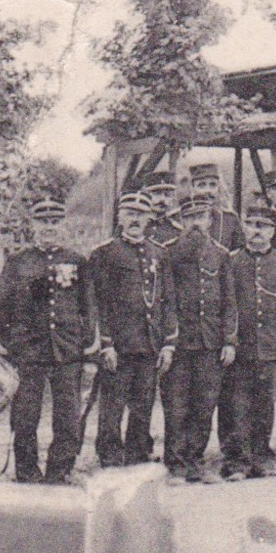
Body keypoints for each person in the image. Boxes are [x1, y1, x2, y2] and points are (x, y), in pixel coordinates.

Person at [0, 198, 93, 484]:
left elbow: (88, 305)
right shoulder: (18, 262)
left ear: (62, 225)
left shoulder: (77, 261)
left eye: (55, 222)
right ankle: (27, 472)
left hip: (66, 348)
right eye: (43, 222)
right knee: (26, 415)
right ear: (33, 225)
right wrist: (9, 343)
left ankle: (59, 470)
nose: (49, 227)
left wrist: (86, 342)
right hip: (29, 351)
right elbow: (2, 306)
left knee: (68, 416)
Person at [88, 191, 176, 468]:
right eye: (129, 214)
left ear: (149, 218)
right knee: (113, 404)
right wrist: (106, 343)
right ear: (120, 217)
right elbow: (97, 303)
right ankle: (110, 455)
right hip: (119, 344)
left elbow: (168, 300)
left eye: (141, 214)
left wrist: (169, 343)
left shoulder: (158, 253)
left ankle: (138, 452)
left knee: (144, 403)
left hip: (149, 343)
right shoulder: (104, 253)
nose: (135, 219)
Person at [223, 207, 276, 478]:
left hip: (274, 346)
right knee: (238, 405)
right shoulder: (232, 260)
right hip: (241, 347)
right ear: (244, 228)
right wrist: (229, 341)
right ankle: (237, 461)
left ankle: (261, 458)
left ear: (273, 231)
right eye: (251, 224)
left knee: (265, 405)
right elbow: (227, 306)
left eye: (263, 226)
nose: (257, 231)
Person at [162, 197, 237, 483]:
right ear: (180, 222)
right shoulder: (168, 254)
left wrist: (229, 340)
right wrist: (169, 339)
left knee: (204, 405)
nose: (196, 224)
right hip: (180, 343)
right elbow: (165, 300)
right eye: (189, 217)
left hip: (211, 342)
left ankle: (196, 462)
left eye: (202, 217)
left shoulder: (221, 254)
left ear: (210, 221)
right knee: (177, 405)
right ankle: (176, 464)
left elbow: (229, 302)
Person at [187, 162, 240, 251]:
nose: (208, 191)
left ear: (218, 188)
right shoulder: (178, 217)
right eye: (201, 185)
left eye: (212, 185)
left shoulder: (230, 219)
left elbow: (238, 253)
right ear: (192, 188)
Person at [140, 171, 183, 247]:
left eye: (167, 195)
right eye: (157, 194)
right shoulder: (136, 226)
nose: (162, 199)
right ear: (145, 195)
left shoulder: (176, 230)